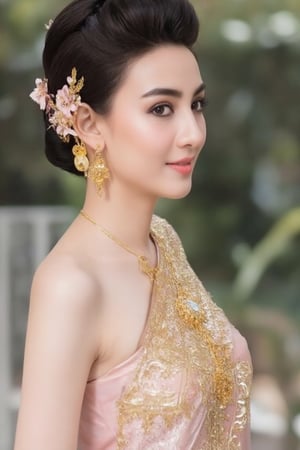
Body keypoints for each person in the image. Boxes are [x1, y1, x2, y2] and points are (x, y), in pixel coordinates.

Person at [14, 0, 252, 449]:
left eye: (196, 104)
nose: (193, 133)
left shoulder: (162, 240)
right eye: (162, 108)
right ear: (88, 123)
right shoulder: (70, 285)